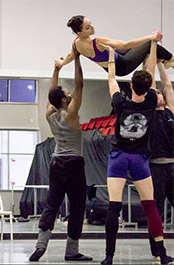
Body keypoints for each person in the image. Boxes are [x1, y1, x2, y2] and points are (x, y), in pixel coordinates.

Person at [101, 39, 173, 265]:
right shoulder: (152, 101)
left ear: (131, 86)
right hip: (140, 159)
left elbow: (111, 79)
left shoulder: (120, 103)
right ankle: (161, 254)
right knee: (151, 206)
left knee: (114, 206)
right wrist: (153, 44)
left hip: (119, 157)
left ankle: (109, 256)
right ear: (148, 87)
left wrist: (111, 57)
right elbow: (149, 69)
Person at [29, 48, 92, 262]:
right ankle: (72, 251)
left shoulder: (50, 114)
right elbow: (80, 84)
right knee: (77, 207)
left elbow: (52, 92)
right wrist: (78, 59)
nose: (70, 93)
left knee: (52, 205)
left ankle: (40, 244)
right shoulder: (71, 115)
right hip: (74, 165)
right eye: (67, 93)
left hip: (56, 164)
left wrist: (55, 69)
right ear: (65, 101)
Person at [56, 15, 174, 76]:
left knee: (130, 49)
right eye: (88, 27)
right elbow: (126, 44)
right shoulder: (97, 42)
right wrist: (151, 37)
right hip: (122, 65)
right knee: (148, 44)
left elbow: (71, 56)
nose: (92, 27)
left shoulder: (76, 43)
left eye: (91, 24)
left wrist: (61, 63)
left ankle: (165, 62)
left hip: (113, 63)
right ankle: (171, 60)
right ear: (80, 33)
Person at [148, 61, 174, 260]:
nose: (157, 94)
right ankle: (157, 250)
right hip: (154, 168)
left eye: (159, 93)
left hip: (172, 167)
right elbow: (151, 87)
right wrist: (151, 58)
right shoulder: (148, 114)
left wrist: (160, 64)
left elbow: (167, 85)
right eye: (154, 92)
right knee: (155, 211)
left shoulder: (170, 111)